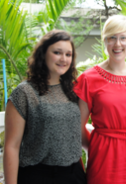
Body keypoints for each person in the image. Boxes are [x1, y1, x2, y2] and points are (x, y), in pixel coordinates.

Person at [4, 30, 86, 185]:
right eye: (57, 52)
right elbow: (11, 146)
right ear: (43, 54)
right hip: (38, 176)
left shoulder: (73, 90)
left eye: (68, 55)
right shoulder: (25, 92)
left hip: (74, 175)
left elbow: (76, 134)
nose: (63, 59)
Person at [74, 15, 126, 185]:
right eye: (112, 38)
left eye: (123, 38)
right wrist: (96, 146)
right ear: (104, 41)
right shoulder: (88, 78)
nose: (118, 44)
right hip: (104, 156)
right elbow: (77, 125)